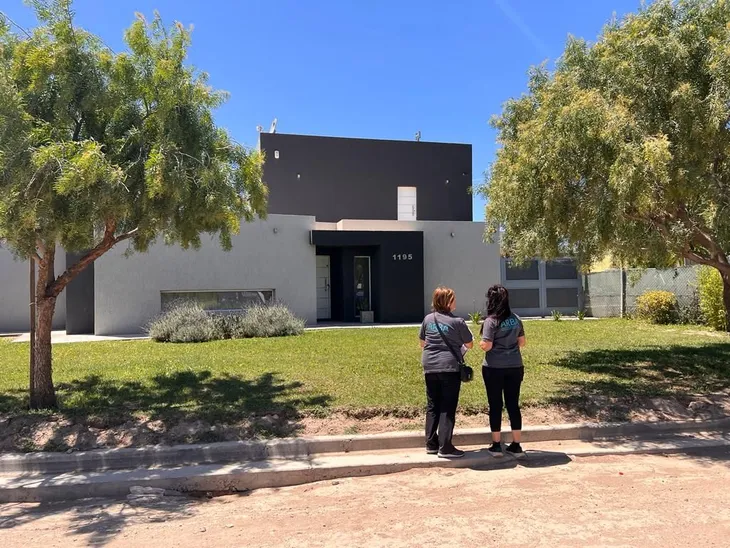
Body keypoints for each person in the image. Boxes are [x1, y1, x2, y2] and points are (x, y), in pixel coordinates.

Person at [419, 286, 474, 458]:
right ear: (448, 302)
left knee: (432, 405)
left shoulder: (428, 319)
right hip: (449, 366)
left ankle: (431, 444)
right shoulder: (457, 321)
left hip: (429, 365)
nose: (455, 301)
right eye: (453, 298)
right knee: (447, 406)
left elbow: (422, 343)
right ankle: (445, 447)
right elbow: (470, 344)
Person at [479, 284, 527, 459]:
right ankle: (516, 444)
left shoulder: (490, 321)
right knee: (513, 404)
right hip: (515, 366)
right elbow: (522, 342)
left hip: (494, 367)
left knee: (495, 405)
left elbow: (487, 345)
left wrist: (481, 343)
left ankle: (496, 445)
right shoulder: (516, 318)